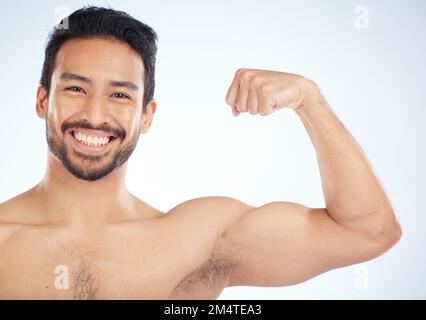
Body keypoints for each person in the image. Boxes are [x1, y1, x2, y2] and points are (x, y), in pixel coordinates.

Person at [0, 6, 401, 299]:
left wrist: (309, 101)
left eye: (120, 94)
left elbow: (368, 232)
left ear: (147, 115)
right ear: (42, 100)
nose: (95, 114)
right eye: (75, 88)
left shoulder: (199, 242)